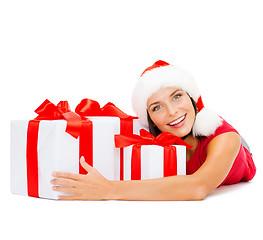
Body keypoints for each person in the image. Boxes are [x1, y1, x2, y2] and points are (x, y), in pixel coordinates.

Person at [51, 60, 256, 201]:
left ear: (193, 99)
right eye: (157, 107)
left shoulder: (225, 137)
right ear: (150, 120)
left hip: (239, 152)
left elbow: (198, 187)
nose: (172, 111)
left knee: (230, 141)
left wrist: (108, 189)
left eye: (177, 96)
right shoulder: (154, 139)